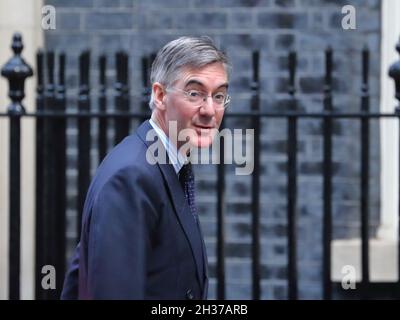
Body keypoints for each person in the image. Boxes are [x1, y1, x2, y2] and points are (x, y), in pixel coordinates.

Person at [61, 36, 231, 299]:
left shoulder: (169, 164)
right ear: (160, 95)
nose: (210, 110)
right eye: (194, 93)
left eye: (219, 96)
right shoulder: (131, 177)